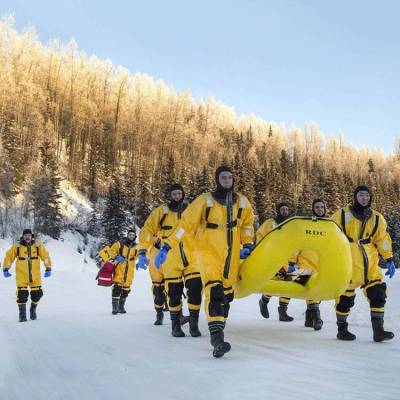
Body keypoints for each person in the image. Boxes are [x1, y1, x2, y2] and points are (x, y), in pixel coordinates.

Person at [155, 166, 254, 357]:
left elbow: (248, 223)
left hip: (231, 254)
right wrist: (167, 245)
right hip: (208, 252)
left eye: (230, 177)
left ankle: (219, 326)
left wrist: (247, 244)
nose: (227, 180)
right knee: (214, 290)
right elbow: (184, 226)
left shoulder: (242, 202)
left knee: (227, 295)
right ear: (217, 180)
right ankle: (217, 339)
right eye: (223, 177)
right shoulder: (205, 201)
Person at [332, 186, 396, 342]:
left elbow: (382, 238)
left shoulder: (376, 217)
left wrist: (389, 259)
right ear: (355, 197)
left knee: (378, 294)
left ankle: (378, 331)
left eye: (367, 195)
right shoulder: (342, 214)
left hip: (370, 262)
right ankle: (342, 329)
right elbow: (330, 233)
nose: (364, 198)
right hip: (348, 261)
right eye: (361, 195)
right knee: (345, 299)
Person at [150, 184, 203, 337]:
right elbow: (149, 229)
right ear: (170, 195)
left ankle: (194, 325)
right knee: (174, 292)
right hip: (171, 257)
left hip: (191, 256)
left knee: (194, 289)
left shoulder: (191, 210)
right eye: (174, 193)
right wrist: (146, 249)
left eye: (179, 193)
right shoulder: (161, 212)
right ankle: (175, 326)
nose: (177, 196)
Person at [2, 229, 52, 322]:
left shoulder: (37, 246)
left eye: (29, 235)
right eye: (25, 235)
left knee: (37, 294)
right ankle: (22, 315)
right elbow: (9, 256)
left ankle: (33, 309)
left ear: (31, 236)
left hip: (35, 276)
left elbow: (45, 256)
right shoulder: (17, 246)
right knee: (22, 295)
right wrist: (6, 268)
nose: (27, 237)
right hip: (22, 276)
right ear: (23, 236)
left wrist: (48, 267)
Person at [257, 202, 295, 322]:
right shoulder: (270, 223)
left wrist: (293, 261)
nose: (284, 211)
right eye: (282, 209)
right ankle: (264, 301)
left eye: (286, 209)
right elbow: (259, 235)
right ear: (278, 211)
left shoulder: (292, 225)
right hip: (272, 257)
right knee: (274, 283)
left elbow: (295, 242)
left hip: (287, 260)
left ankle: (283, 311)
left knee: (288, 285)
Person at [296, 199, 326, 330]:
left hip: (320, 262)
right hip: (305, 261)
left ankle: (309, 318)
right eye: (317, 207)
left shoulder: (329, 224)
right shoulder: (306, 224)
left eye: (321, 207)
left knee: (315, 290)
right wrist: (292, 261)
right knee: (310, 287)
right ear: (313, 209)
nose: (319, 209)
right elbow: (296, 242)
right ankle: (316, 317)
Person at [98, 229, 140, 314]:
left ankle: (121, 306)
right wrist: (117, 256)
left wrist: (141, 261)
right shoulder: (119, 244)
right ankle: (115, 308)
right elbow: (111, 250)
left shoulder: (137, 246)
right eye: (130, 234)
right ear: (127, 235)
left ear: (135, 236)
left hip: (129, 271)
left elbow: (139, 255)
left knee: (126, 290)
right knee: (117, 288)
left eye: (133, 235)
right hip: (119, 269)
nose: (131, 236)